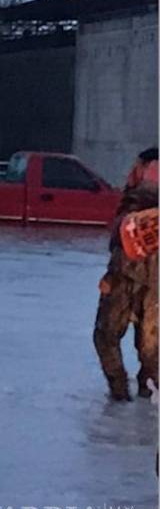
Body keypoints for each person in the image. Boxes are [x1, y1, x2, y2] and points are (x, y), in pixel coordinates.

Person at [93, 147, 158, 401]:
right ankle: (148, 395)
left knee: (105, 335)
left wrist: (111, 277)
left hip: (128, 278)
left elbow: (126, 242)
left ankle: (120, 394)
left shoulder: (137, 199)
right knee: (152, 351)